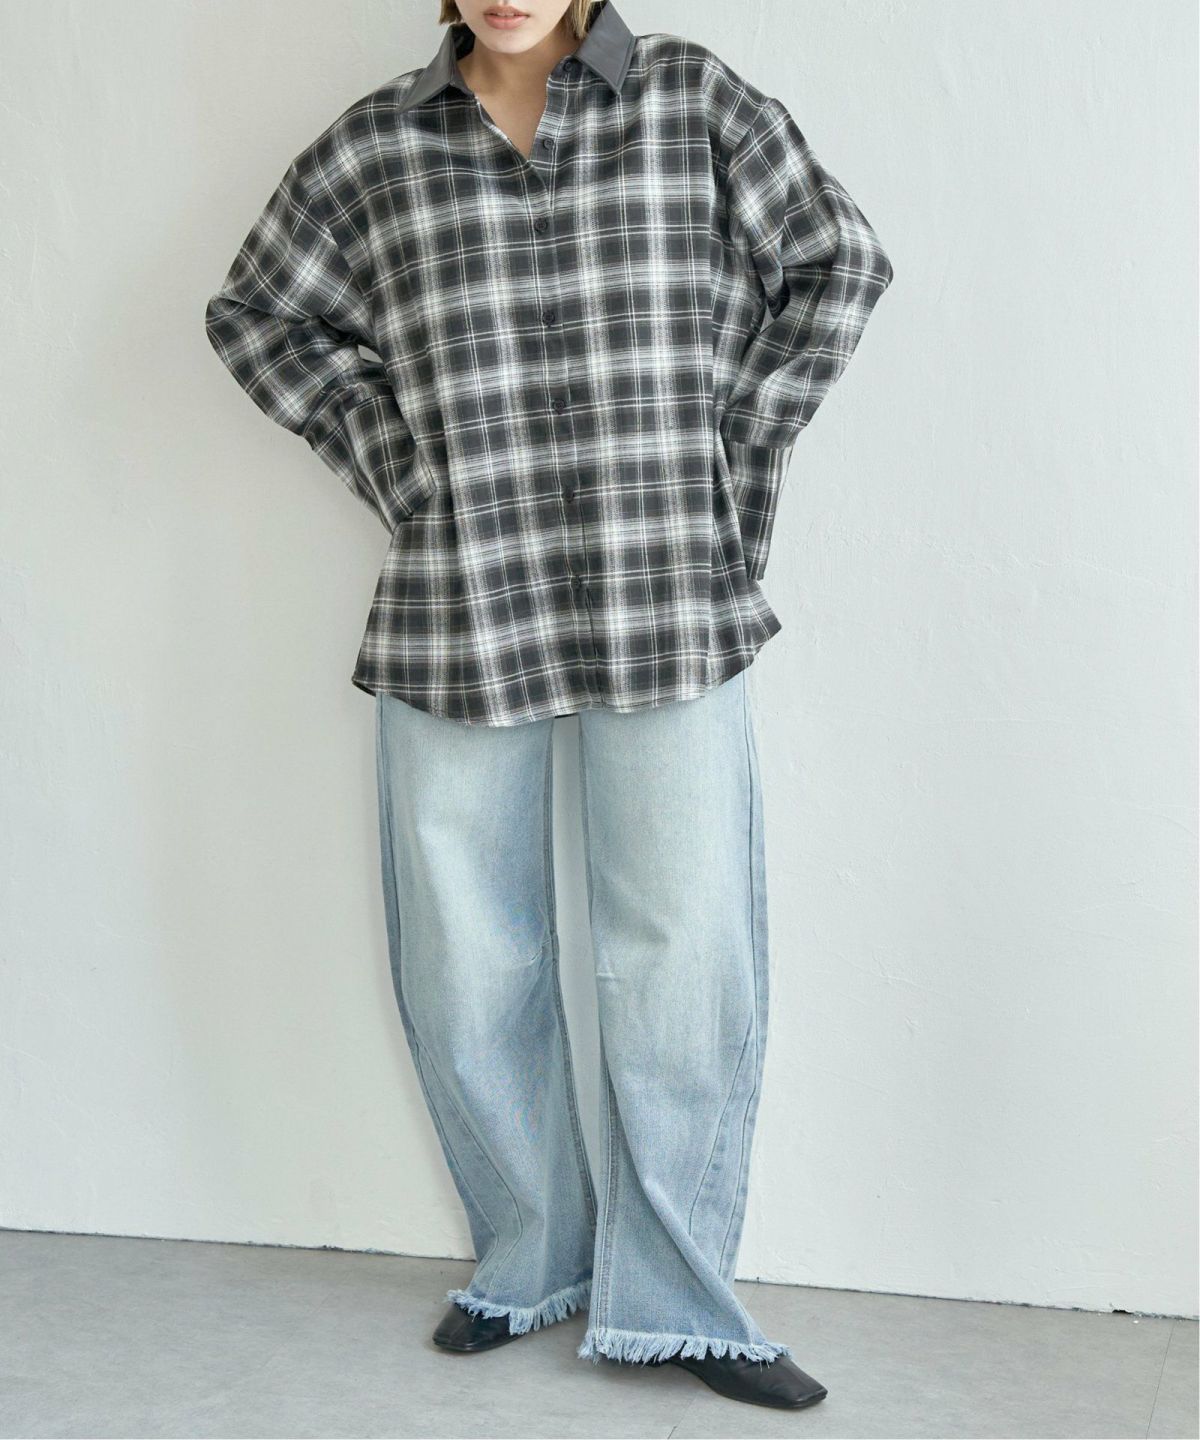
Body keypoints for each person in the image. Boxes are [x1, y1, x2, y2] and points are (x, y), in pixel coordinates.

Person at [204, 0, 892, 1411]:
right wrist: (405, 470)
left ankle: (681, 1299)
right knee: (467, 953)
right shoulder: (375, 149)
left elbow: (839, 260)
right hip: (463, 600)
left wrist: (728, 453)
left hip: (666, 591)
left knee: (684, 949)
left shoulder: (692, 102)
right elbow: (256, 314)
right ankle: (529, 1257)